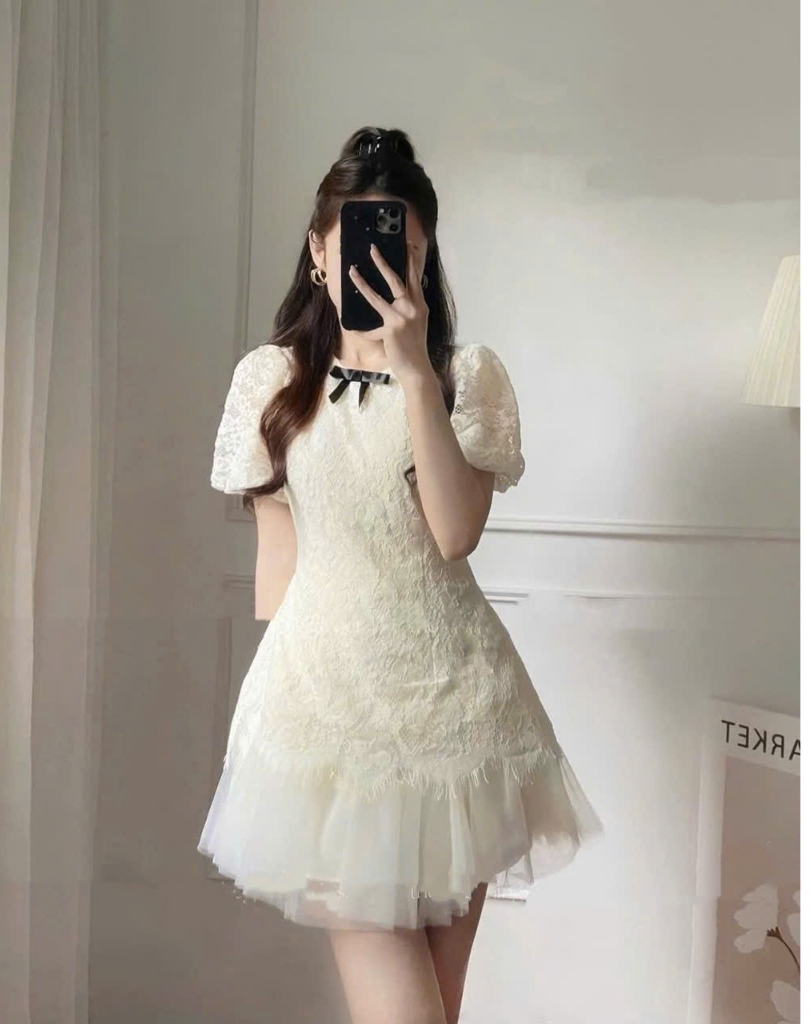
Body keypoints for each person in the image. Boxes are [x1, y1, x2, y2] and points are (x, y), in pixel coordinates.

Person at [197, 126, 603, 1024]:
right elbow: (278, 566)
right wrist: (275, 720)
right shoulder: (271, 381)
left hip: (463, 721)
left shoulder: (465, 376)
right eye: (359, 247)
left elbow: (455, 536)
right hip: (329, 719)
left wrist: (415, 372)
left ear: (425, 259)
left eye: (404, 252)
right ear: (318, 252)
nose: (383, 268)